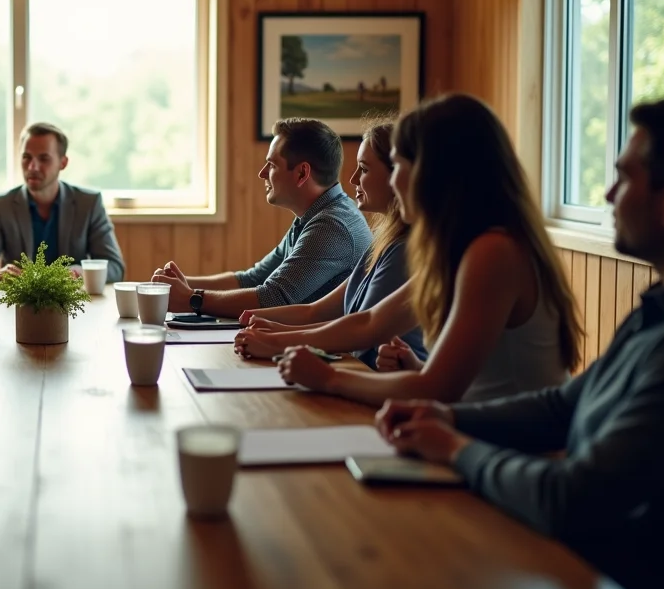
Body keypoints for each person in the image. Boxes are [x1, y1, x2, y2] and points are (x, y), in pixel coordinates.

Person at [376, 98, 664, 589]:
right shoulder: (655, 312)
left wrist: (455, 447)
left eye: (624, 178)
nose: (607, 194)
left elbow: (573, 497)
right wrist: (447, 417)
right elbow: (561, 406)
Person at [264, 94, 581, 405]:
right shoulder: (458, 249)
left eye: (399, 164)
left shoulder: (494, 252)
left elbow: (437, 388)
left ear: (434, 173)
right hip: (476, 434)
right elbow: (374, 321)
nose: (395, 179)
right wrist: (414, 368)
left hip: (510, 448)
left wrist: (327, 378)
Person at [232, 120, 425, 369]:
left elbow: (363, 326)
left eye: (364, 169)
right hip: (362, 371)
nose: (353, 179)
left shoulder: (402, 249)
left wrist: (279, 340)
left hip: (378, 378)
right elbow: (319, 312)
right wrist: (269, 325)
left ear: (399, 176)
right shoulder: (384, 240)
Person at [152, 117, 373, 317]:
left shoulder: (332, 226)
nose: (262, 173)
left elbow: (272, 299)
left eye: (272, 164)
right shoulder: (317, 215)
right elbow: (253, 279)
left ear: (302, 173)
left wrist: (192, 298)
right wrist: (177, 285)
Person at [0, 122, 125, 284]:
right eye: (26, 157)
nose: (32, 167)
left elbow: (114, 267)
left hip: (74, 305)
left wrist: (77, 272)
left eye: (43, 158)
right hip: (18, 305)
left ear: (63, 163)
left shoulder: (88, 203)